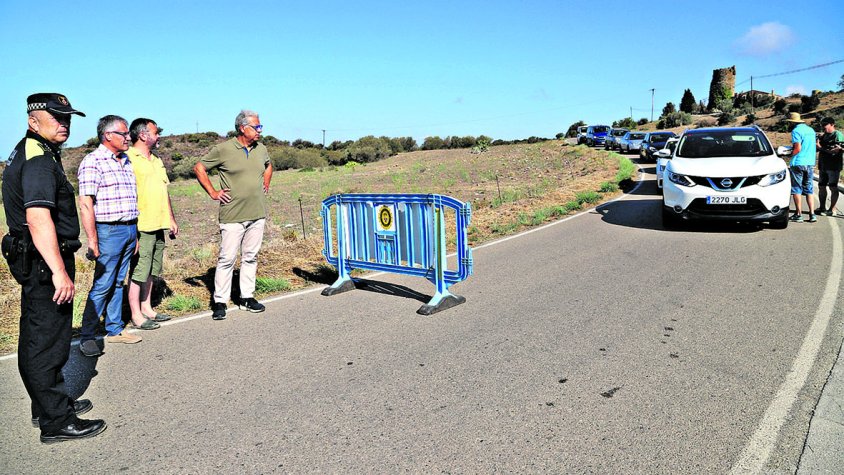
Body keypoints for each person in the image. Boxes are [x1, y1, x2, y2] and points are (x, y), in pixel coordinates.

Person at [1, 93, 106, 442]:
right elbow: (37, 217)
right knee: (47, 340)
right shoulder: (38, 159)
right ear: (33, 121)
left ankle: (47, 405)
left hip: (36, 256)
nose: (65, 124)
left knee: (40, 334)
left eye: (67, 118)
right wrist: (59, 271)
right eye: (57, 118)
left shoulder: (36, 150)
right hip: (44, 259)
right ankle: (56, 421)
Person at [193, 110, 273, 320]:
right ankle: (220, 301)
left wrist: (266, 182)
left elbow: (268, 165)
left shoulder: (261, 148)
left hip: (257, 213)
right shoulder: (223, 149)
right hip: (232, 215)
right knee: (227, 259)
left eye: (260, 126)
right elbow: (199, 168)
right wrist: (213, 192)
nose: (260, 130)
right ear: (242, 128)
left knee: (250, 257)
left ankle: (247, 297)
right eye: (256, 127)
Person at [78, 115, 141, 356]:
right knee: (103, 283)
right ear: (108, 135)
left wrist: (134, 233)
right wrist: (93, 240)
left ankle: (114, 330)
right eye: (123, 134)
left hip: (128, 228)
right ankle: (87, 336)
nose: (128, 138)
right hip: (108, 231)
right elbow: (86, 203)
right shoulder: (93, 161)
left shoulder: (125, 160)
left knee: (117, 281)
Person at [126, 118, 178, 330]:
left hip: (158, 223)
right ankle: (135, 315)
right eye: (156, 133)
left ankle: (147, 308)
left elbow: (164, 191)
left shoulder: (156, 160)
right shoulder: (128, 158)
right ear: (143, 135)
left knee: (152, 269)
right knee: (139, 271)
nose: (159, 137)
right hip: (142, 224)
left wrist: (171, 219)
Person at [786, 112, 817, 223]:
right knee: (809, 189)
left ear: (792, 122)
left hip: (798, 162)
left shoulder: (796, 131)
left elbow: (798, 148)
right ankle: (812, 214)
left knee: (796, 188)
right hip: (810, 162)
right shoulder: (811, 130)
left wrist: (789, 154)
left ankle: (798, 214)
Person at [815, 117, 843, 216]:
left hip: (833, 166)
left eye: (825, 125)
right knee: (821, 186)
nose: (823, 127)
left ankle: (832, 209)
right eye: (822, 125)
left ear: (832, 124)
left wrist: (820, 147)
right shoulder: (824, 136)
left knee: (833, 187)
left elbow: (835, 151)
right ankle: (822, 207)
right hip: (823, 165)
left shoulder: (837, 135)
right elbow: (817, 148)